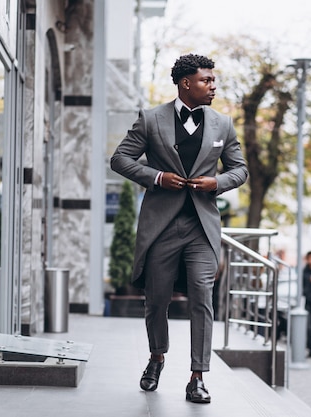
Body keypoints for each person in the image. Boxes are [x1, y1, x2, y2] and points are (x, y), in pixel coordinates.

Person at [110, 54, 248, 403]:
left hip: (201, 227)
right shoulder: (151, 119)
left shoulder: (223, 124)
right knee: (157, 300)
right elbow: (120, 159)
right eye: (206, 80)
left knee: (202, 298)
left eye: (214, 80)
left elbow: (240, 169)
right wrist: (156, 177)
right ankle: (157, 357)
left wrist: (215, 183)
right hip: (162, 227)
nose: (213, 86)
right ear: (186, 83)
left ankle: (197, 377)